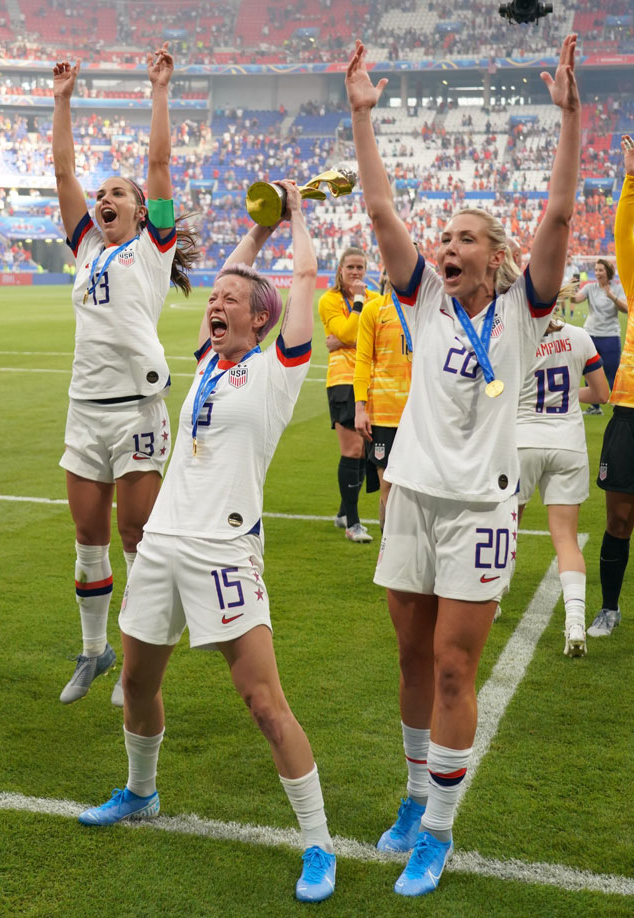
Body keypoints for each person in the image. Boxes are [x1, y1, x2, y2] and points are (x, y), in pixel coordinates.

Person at [345, 35, 580, 897]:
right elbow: (379, 214)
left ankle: (438, 834)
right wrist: (364, 116)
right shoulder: (424, 301)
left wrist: (569, 116)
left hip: (480, 509)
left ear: (497, 256)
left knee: (452, 667)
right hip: (411, 496)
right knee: (410, 659)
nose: (447, 245)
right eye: (444, 235)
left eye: (466, 238)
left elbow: (557, 215)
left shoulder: (522, 311)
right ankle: (414, 800)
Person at [76, 183, 337, 904]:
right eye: (212, 296)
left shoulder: (278, 369)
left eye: (231, 299)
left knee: (262, 701)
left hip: (225, 551)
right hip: (160, 544)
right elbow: (232, 274)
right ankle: (141, 792)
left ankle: (318, 844)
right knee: (136, 682)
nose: (215, 303)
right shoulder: (209, 361)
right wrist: (256, 231)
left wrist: (299, 218)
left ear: (263, 318)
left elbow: (305, 281)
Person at [52, 45, 197, 706]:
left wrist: (159, 90)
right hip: (85, 411)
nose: (105, 198)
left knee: (136, 539)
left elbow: (160, 164)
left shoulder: (154, 248)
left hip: (137, 412)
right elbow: (63, 174)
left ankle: (136, 655)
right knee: (88, 541)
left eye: (119, 194)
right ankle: (94, 651)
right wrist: (62, 101)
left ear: (143, 211)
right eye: (102, 193)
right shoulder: (87, 246)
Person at [516, 318, 609, 656]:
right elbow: (601, 393)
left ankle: (491, 600)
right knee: (566, 538)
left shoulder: (514, 335)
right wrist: (570, 395)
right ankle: (574, 623)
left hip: (522, 441)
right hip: (568, 442)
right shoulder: (579, 336)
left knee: (506, 527)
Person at [588, 134, 634, 638]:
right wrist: (630, 179)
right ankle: (610, 607)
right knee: (618, 521)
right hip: (628, 415)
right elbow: (623, 238)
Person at [318, 246, 375, 542]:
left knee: (366, 450)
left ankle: (343, 513)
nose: (355, 272)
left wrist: (341, 340)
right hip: (342, 380)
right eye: (350, 267)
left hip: (369, 380)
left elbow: (376, 326)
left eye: (360, 267)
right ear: (339, 269)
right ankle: (353, 524)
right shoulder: (329, 300)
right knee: (352, 449)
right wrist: (359, 301)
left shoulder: (374, 299)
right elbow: (353, 332)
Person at [353, 274, 412, 530]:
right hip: (385, 413)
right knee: (387, 485)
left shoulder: (430, 308)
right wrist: (359, 408)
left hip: (420, 413)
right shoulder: (374, 310)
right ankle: (388, 555)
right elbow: (363, 360)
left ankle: (416, 554)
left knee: (417, 488)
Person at [572, 258, 626, 414]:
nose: (597, 273)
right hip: (590, 335)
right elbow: (576, 299)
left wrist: (612, 296)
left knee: (612, 372)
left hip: (610, 335)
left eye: (600, 270)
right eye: (596, 270)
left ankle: (618, 406)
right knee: (589, 372)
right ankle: (594, 407)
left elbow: (626, 309)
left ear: (608, 272)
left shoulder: (616, 288)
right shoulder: (590, 288)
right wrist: (573, 288)